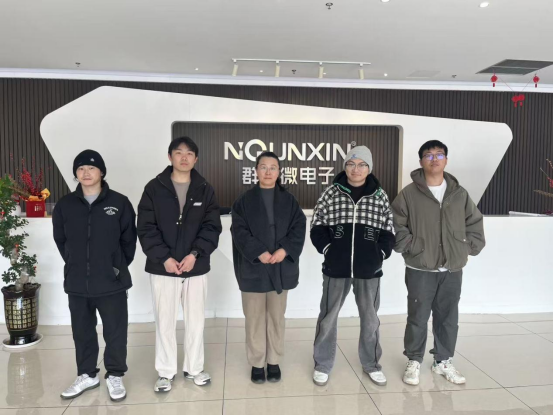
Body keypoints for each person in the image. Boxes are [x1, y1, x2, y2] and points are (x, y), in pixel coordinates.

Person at [392, 140, 486, 386]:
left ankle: (443, 361)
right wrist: (413, 246)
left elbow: (474, 222)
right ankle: (414, 360)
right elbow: (396, 224)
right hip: (420, 267)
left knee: (448, 317)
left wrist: (466, 247)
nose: (434, 159)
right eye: (429, 155)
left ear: (446, 160)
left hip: (452, 268)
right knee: (417, 316)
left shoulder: (459, 194)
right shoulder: (408, 194)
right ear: (421, 161)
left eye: (439, 155)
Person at [138, 137, 222, 393]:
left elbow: (212, 227)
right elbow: (146, 227)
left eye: (189, 154)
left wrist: (195, 254)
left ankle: (194, 368)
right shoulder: (154, 188)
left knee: (196, 321)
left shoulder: (205, 189)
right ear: (170, 156)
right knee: (164, 322)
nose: (184, 158)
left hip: (195, 266)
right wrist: (164, 258)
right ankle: (165, 372)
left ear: (196, 159)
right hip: (163, 267)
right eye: (178, 153)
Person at [53, 150, 137, 402]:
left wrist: (114, 267)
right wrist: (76, 264)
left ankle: (115, 374)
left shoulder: (119, 203)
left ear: (101, 172)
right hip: (77, 282)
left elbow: (129, 241)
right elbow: (61, 240)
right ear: (76, 174)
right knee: (82, 332)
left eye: (91, 168)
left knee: (115, 331)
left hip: (111, 281)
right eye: (80, 169)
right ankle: (87, 374)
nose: (86, 173)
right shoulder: (65, 205)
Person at [310, 146, 395, 387]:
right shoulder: (331, 193)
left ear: (369, 168)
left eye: (362, 165)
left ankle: (372, 364)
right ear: (345, 166)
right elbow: (317, 224)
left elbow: (389, 229)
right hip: (335, 268)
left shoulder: (379, 195)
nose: (356, 169)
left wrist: (380, 253)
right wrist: (328, 249)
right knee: (328, 317)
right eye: (351, 164)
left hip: (369, 270)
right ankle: (322, 364)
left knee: (370, 318)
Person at [231, 152, 307, 384]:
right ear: (256, 171)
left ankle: (273, 361)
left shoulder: (289, 200)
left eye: (273, 167)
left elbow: (299, 227)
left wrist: (284, 250)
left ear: (279, 172)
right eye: (263, 167)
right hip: (253, 266)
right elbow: (239, 230)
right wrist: (258, 252)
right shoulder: (243, 201)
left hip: (279, 266)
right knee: (254, 317)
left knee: (276, 317)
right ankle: (257, 362)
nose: (268, 171)